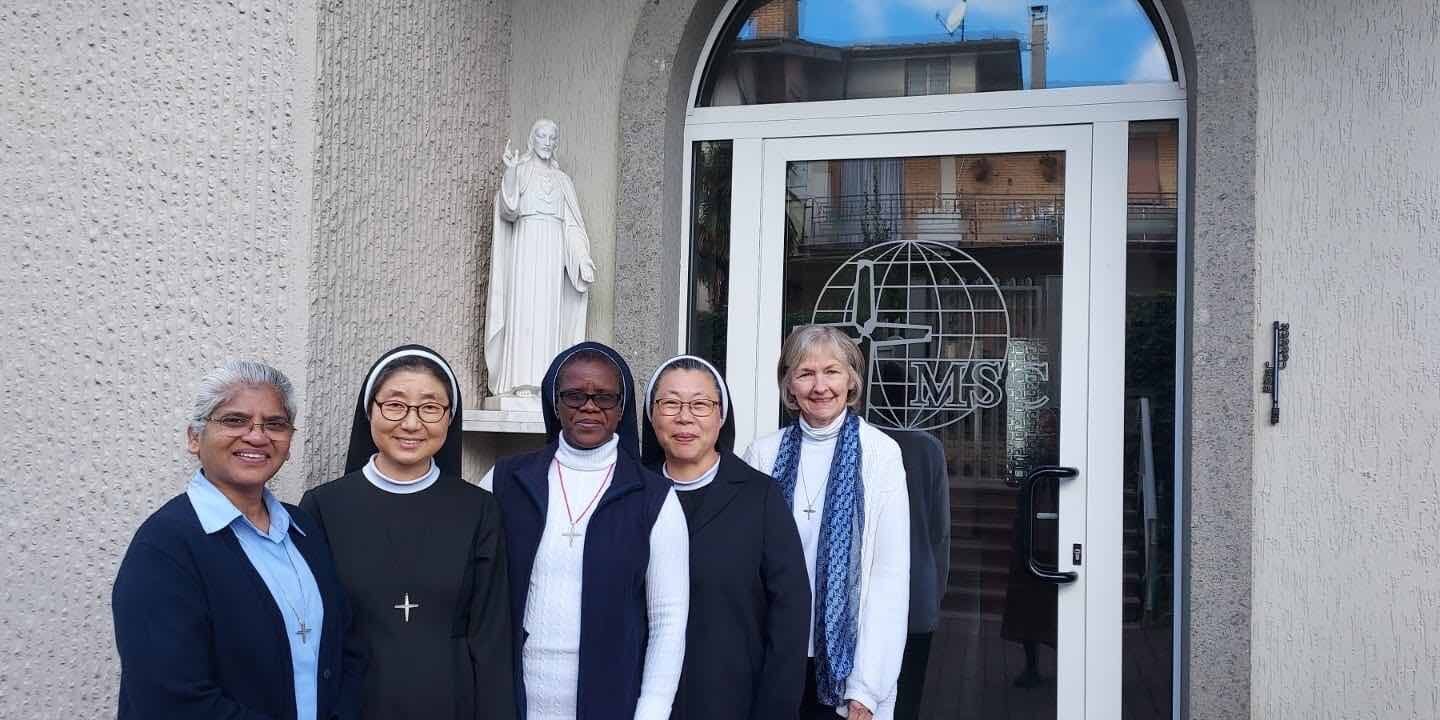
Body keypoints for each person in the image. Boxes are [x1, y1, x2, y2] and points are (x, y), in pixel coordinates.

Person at [112, 360, 363, 719]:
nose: (257, 436)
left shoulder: (304, 528)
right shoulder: (164, 547)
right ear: (194, 438)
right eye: (234, 420)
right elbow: (170, 700)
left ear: (289, 443)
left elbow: (347, 646)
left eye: (274, 424)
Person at [300, 345, 515, 719]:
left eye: (430, 407)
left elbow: (491, 637)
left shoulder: (479, 509)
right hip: (354, 706)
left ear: (450, 418)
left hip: (452, 705)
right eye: (395, 405)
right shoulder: (323, 507)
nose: (412, 423)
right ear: (370, 411)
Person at [481, 341, 689, 720]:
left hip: (613, 698)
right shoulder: (505, 480)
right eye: (575, 396)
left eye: (605, 398)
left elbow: (668, 619)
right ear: (555, 403)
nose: (590, 406)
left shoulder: (654, 498)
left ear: (621, 408)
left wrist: (652, 711)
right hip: (513, 694)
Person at [742, 325, 911, 720]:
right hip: (773, 657)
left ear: (852, 379)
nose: (820, 386)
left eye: (832, 371)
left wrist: (867, 689)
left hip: (847, 670)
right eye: (805, 373)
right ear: (789, 385)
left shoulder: (880, 455)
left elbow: (890, 576)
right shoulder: (762, 455)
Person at [639, 355, 811, 720]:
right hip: (639, 701)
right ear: (651, 415)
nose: (685, 417)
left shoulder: (759, 496)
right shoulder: (630, 493)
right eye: (670, 403)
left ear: (721, 417)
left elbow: (790, 612)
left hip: (732, 698)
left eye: (701, 404)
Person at [485, 118, 596, 397]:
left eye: (551, 138)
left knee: (548, 314)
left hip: (553, 255)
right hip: (525, 250)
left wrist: (582, 259)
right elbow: (508, 209)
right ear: (532, 140)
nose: (546, 142)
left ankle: (547, 383)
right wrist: (509, 173)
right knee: (525, 312)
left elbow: (571, 225)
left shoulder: (563, 181)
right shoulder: (520, 171)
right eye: (541, 136)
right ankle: (521, 381)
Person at [880, 428, 950, 719]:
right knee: (906, 698)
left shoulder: (853, 442)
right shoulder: (927, 447)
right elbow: (940, 532)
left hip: (862, 601)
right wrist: (934, 595)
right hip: (915, 594)